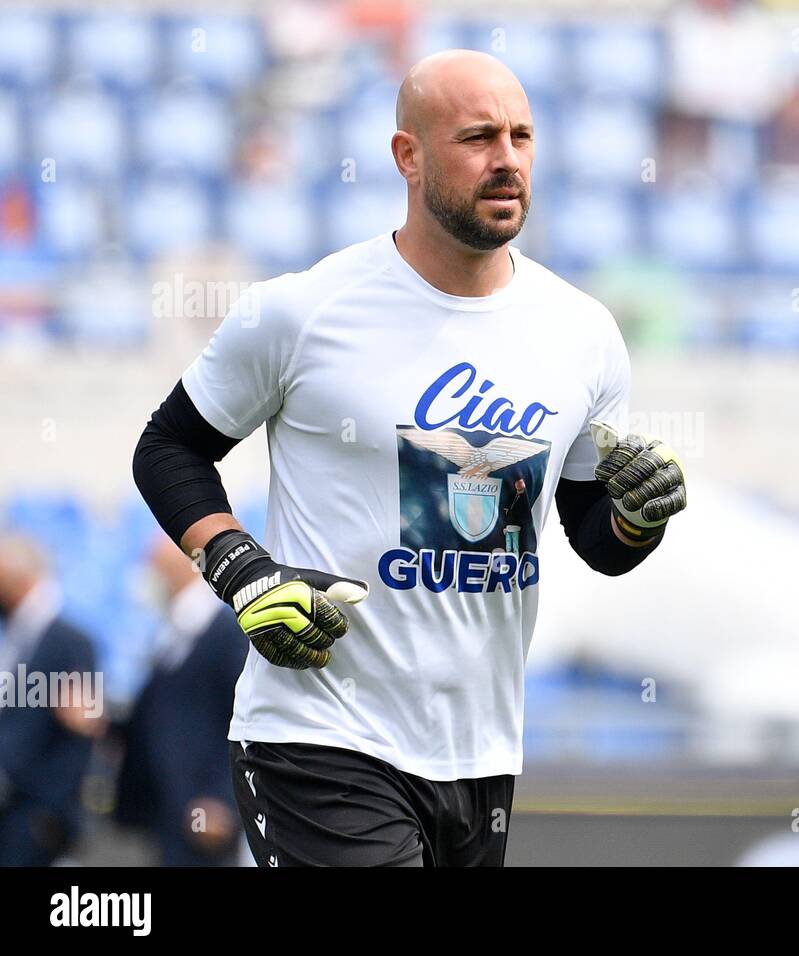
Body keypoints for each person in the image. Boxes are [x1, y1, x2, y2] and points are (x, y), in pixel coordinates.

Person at [132, 50, 687, 867]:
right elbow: (170, 446)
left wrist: (638, 519)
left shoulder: (584, 333)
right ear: (407, 155)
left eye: (522, 136)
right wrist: (241, 570)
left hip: (480, 754)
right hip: (319, 738)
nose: (507, 159)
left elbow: (593, 537)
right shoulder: (303, 312)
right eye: (477, 137)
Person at [113, 538, 246, 866]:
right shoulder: (172, 633)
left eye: (156, 568)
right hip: (168, 805)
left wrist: (223, 799)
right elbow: (156, 715)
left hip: (204, 810)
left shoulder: (226, 633)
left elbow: (244, 719)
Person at [0, 533, 101, 866]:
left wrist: (51, 815)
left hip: (35, 816)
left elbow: (83, 730)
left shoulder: (69, 642)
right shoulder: (19, 634)